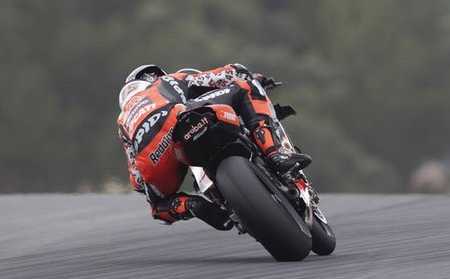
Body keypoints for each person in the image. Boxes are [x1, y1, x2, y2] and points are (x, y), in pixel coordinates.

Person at [117, 63, 311, 227]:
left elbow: (137, 180)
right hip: (179, 118)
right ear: (151, 78)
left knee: (158, 208)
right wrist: (252, 76)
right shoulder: (167, 81)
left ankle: (194, 205)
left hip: (153, 158)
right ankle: (274, 154)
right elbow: (231, 73)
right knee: (247, 87)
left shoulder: (123, 121)